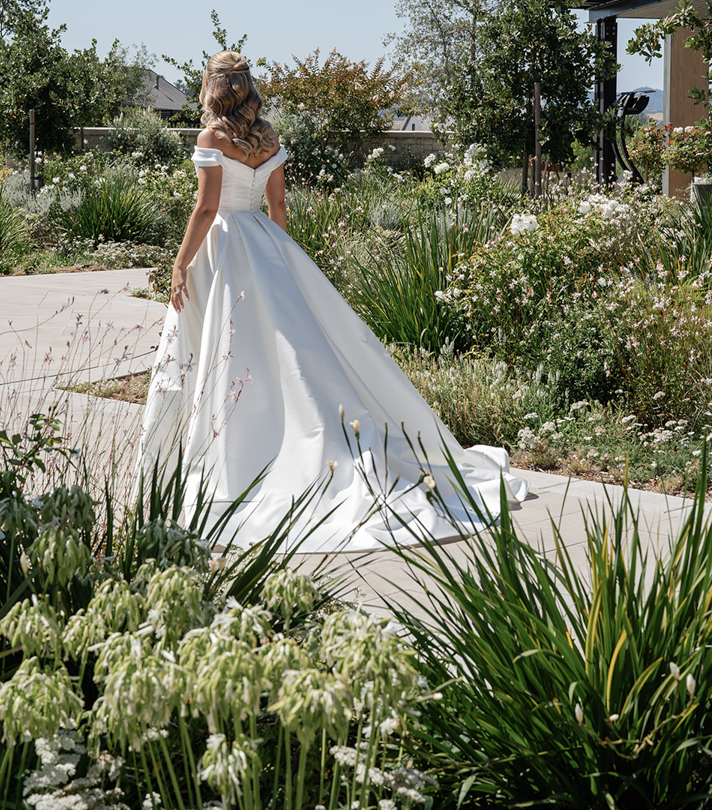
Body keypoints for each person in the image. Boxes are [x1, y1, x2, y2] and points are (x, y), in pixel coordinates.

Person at [137, 50, 528, 551]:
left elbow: (207, 206)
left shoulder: (212, 138)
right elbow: (278, 209)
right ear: (247, 87)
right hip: (264, 242)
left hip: (224, 245)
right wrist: (276, 266)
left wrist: (179, 263)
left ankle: (231, 461)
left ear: (212, 89)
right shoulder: (270, 136)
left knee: (224, 351)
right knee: (281, 351)